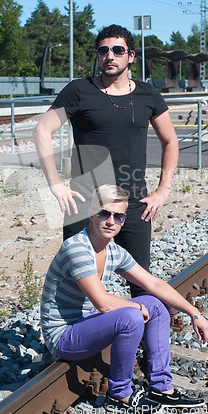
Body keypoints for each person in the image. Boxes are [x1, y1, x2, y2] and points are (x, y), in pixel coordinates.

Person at [34, 24, 179, 296]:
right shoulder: (79, 90)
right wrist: (55, 184)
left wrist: (163, 190)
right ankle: (77, 337)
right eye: (103, 50)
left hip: (133, 203)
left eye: (117, 50)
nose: (109, 56)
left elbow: (170, 141)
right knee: (78, 285)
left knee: (142, 285)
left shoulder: (148, 95)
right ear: (98, 56)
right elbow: (42, 129)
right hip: (85, 203)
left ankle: (143, 338)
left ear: (131, 56)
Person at [41, 185, 208, 414]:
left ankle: (162, 388)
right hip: (63, 335)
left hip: (87, 322)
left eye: (118, 216)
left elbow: (154, 284)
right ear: (91, 212)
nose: (111, 221)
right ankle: (119, 395)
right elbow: (103, 303)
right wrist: (135, 307)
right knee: (131, 315)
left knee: (156, 305)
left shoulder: (113, 251)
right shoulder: (77, 249)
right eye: (104, 213)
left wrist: (195, 314)